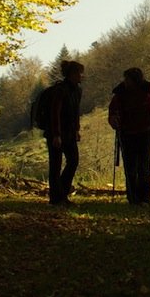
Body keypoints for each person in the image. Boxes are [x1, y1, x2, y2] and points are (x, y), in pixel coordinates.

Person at [108, 67, 150, 205]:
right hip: (133, 133)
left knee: (139, 167)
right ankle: (136, 199)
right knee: (136, 167)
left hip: (137, 133)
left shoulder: (141, 89)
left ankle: (141, 198)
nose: (125, 81)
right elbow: (113, 111)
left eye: (128, 78)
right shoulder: (122, 92)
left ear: (134, 80)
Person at [46, 60, 85, 206]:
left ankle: (60, 193)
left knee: (73, 161)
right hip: (56, 133)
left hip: (69, 133)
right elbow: (54, 113)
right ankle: (57, 198)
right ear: (72, 74)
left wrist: (76, 130)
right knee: (55, 166)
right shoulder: (60, 90)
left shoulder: (77, 90)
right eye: (80, 74)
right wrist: (56, 134)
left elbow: (76, 112)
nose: (82, 77)